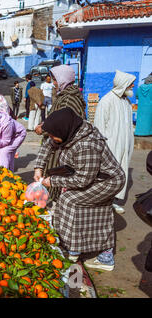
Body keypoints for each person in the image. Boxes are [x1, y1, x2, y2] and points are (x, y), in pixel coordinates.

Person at [34, 108, 126, 270]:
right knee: (70, 200)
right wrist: (38, 168)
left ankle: (94, 252)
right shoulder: (68, 131)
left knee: (69, 200)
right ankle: (74, 243)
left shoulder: (86, 144)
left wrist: (52, 180)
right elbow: (48, 145)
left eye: (52, 135)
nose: (51, 138)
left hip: (108, 181)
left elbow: (83, 180)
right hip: (92, 176)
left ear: (64, 130)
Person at [34, 65, 87, 203]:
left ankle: (56, 206)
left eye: (55, 80)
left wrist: (44, 129)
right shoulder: (65, 96)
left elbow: (61, 125)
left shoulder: (68, 99)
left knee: (57, 177)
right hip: (57, 142)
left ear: (63, 79)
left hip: (62, 146)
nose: (54, 83)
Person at [93, 70, 136, 214]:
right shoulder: (106, 101)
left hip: (124, 146)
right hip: (110, 147)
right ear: (123, 84)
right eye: (130, 84)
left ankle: (114, 201)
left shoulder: (126, 102)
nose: (133, 86)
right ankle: (105, 203)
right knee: (108, 176)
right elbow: (98, 129)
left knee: (121, 173)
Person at [135, 72, 152, 137]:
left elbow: (136, 96)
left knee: (141, 120)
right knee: (149, 121)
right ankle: (148, 132)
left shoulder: (140, 87)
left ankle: (140, 132)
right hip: (150, 107)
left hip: (141, 107)